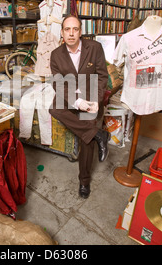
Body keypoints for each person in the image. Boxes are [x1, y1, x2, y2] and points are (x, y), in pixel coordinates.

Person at [48, 15, 110, 199]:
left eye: (75, 29)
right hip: (69, 96)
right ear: (62, 33)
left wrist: (96, 101)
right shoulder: (56, 55)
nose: (71, 33)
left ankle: (84, 181)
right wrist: (76, 102)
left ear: (80, 32)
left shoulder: (95, 48)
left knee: (87, 137)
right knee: (54, 109)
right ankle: (99, 135)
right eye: (67, 29)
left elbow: (102, 76)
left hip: (90, 94)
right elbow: (58, 84)